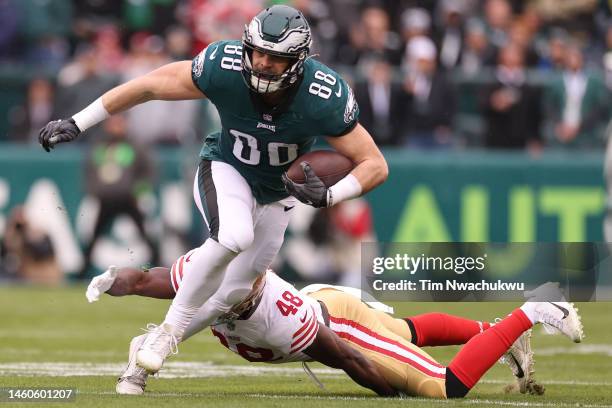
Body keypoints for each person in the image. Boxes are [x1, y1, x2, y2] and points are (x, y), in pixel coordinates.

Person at [39, 5, 388, 375]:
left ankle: (145, 349)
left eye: (276, 57)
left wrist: (331, 196)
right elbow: (149, 85)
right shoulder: (224, 66)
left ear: (298, 61)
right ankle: (166, 334)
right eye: (259, 52)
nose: (264, 63)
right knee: (234, 235)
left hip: (277, 195)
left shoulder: (322, 93)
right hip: (226, 168)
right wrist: (79, 122)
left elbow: (374, 164)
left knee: (236, 292)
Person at [86, 252, 583, 398]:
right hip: (326, 304)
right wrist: (114, 281)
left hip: (330, 323)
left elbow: (347, 358)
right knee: (406, 332)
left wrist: (391, 391)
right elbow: (153, 279)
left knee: (438, 387)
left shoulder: (277, 317)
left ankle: (532, 311)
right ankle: (493, 334)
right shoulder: (206, 273)